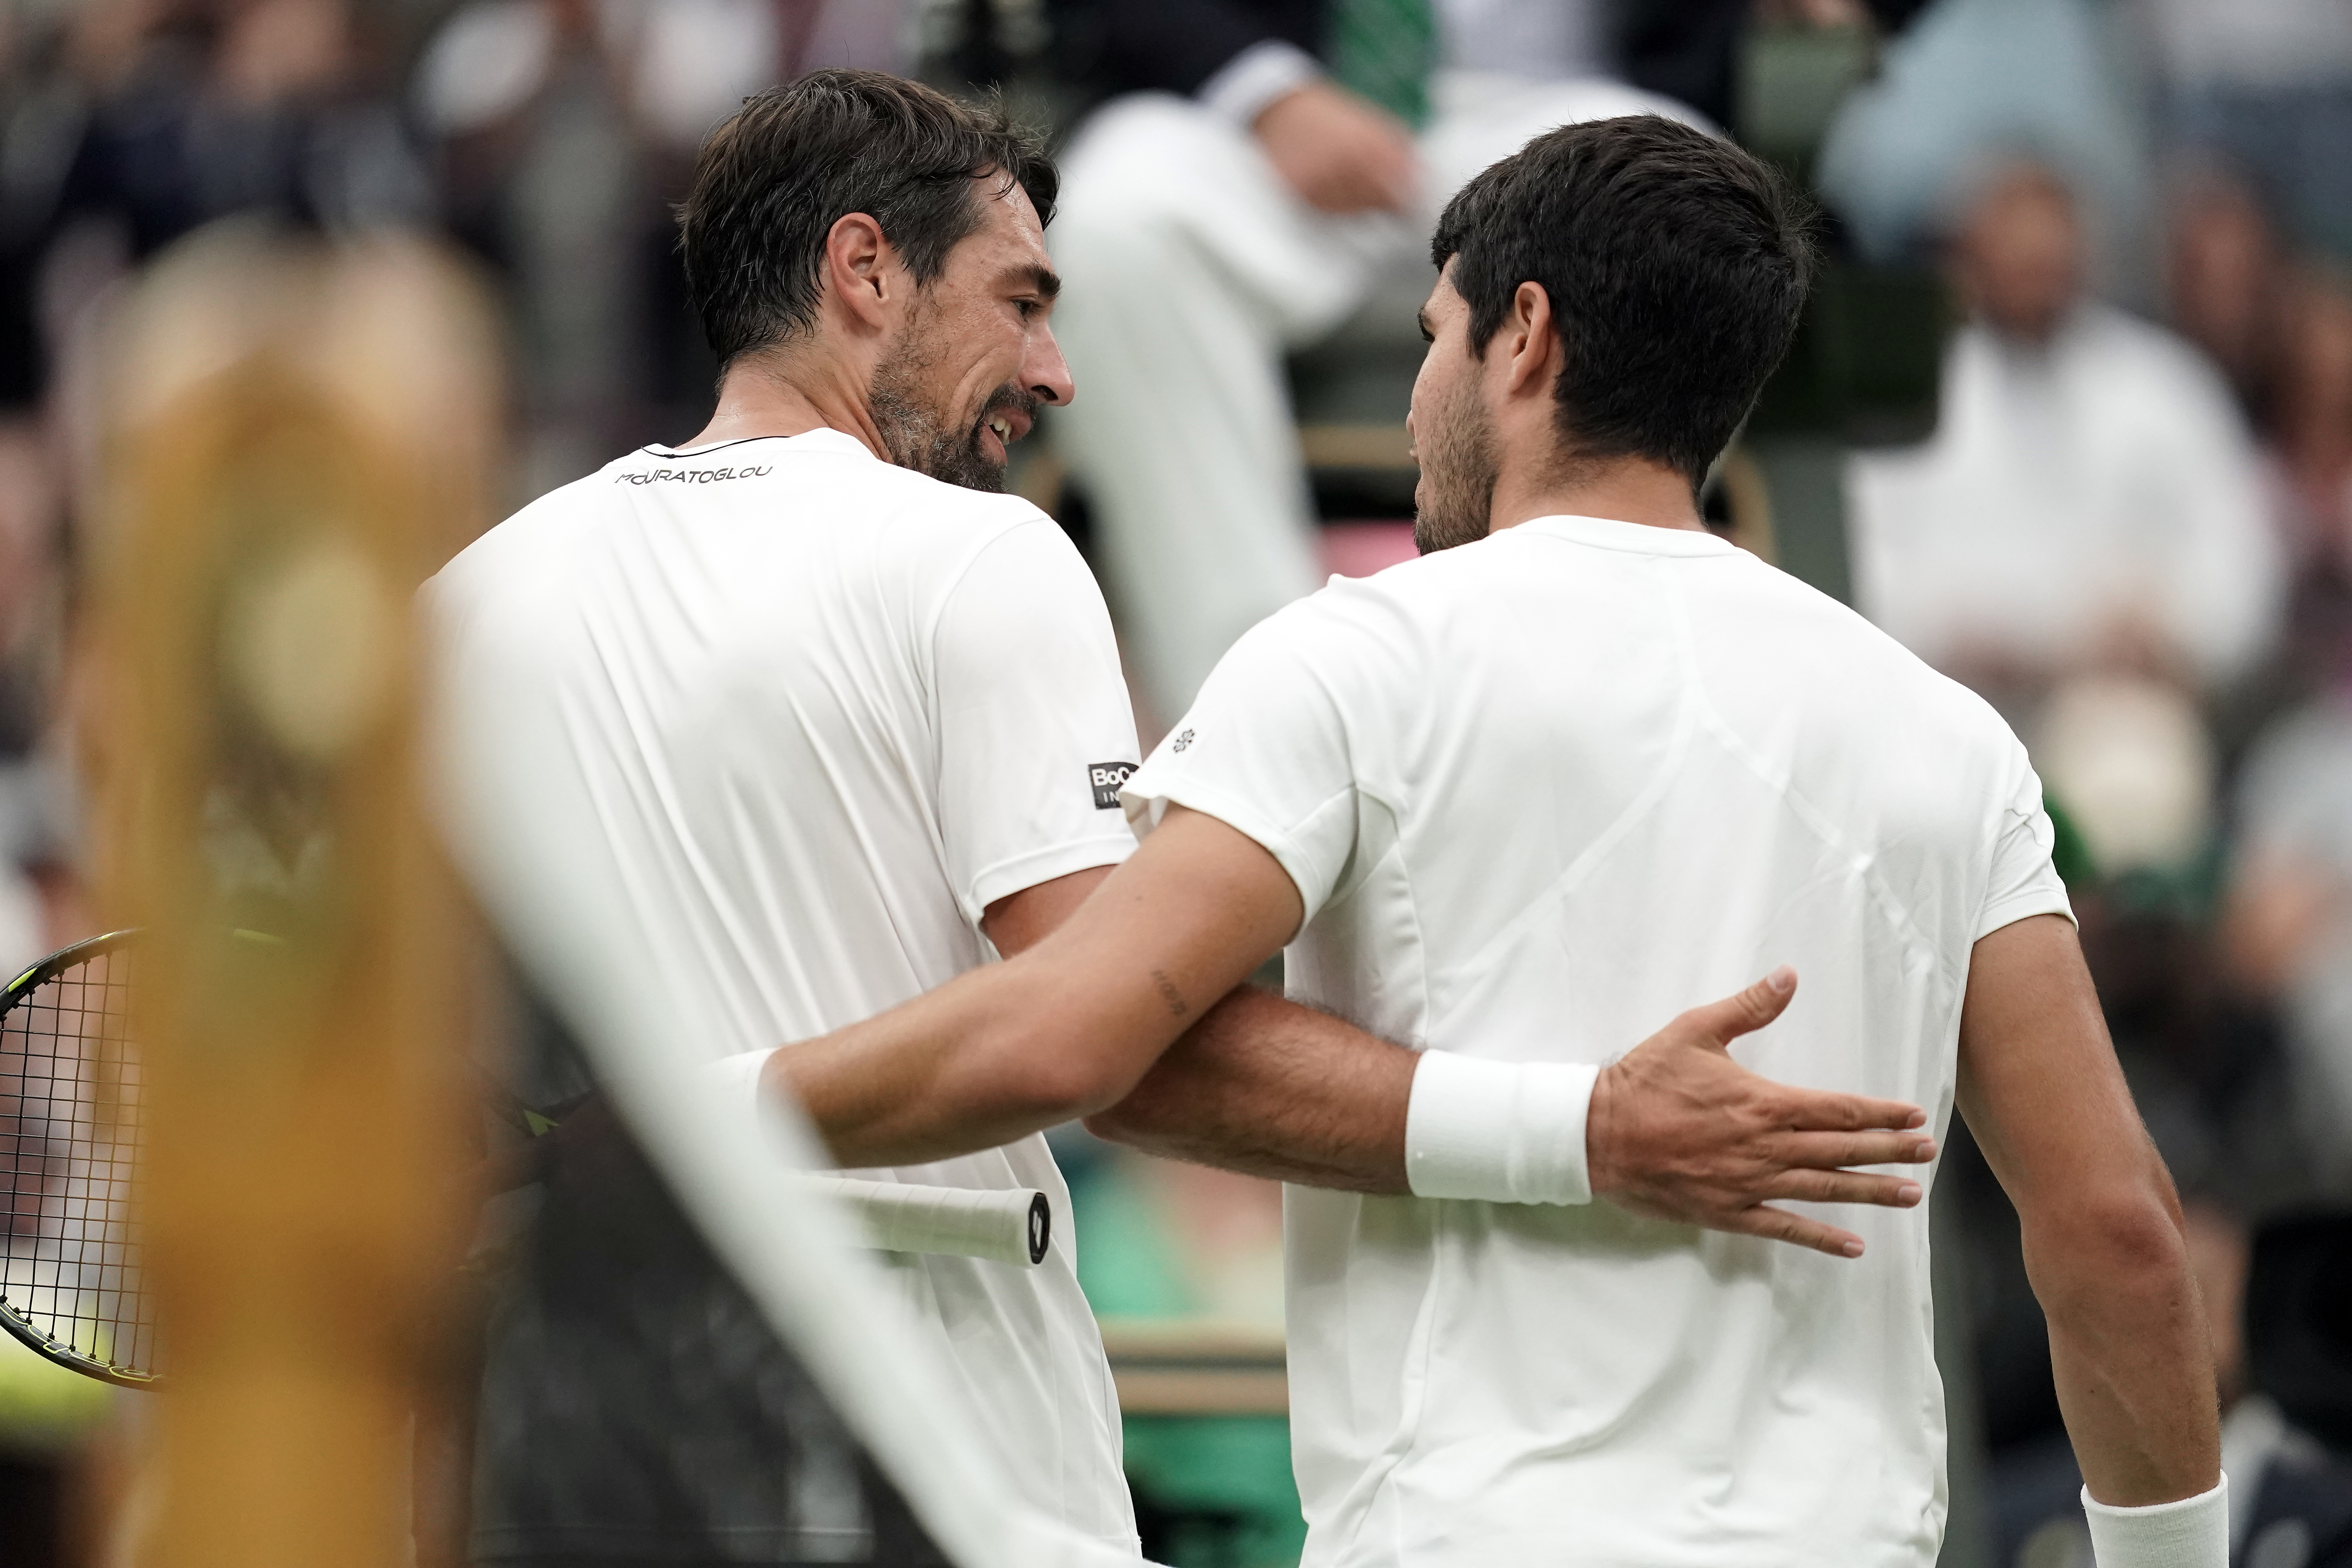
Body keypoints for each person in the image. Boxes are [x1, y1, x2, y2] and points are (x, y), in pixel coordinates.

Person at [430, 70, 1942, 1558]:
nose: (1059, 369)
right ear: (864, 271)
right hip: (934, 1469)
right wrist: (1585, 1127)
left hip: (536, 1458)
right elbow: (1109, 1048)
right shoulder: (980, 559)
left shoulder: (462, 604)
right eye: (1022, 302)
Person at [755, 115, 2227, 1565]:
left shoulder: (1350, 658)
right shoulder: (1949, 738)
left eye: (1430, 335)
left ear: (1524, 340)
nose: (1413, 398)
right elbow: (2116, 1232)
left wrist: (695, 1106)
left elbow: (1102, 1050)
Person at [1042, 0, 1708, 723]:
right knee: (1119, 225)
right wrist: (1266, 93)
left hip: (1555, 108)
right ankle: (1262, 732)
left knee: (1675, 212)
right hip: (1258, 107)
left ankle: (1564, 711)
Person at [1846, 160, 2281, 708]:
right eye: (2020, 260)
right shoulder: (1905, 389)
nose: (2039, 279)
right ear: (1968, 258)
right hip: (1947, 692)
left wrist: (2174, 629)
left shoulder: (2163, 384)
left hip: (2120, 699)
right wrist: (1948, 626)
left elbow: (2240, 559)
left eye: (2052, 261)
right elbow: (1857, 556)